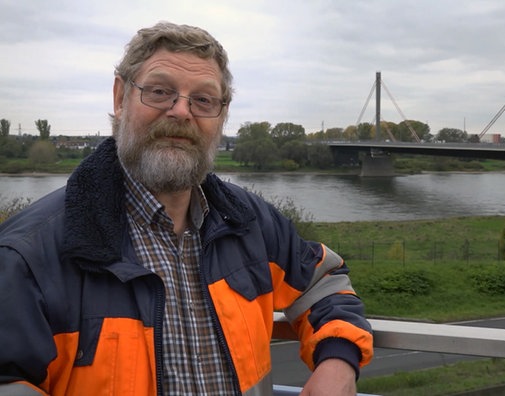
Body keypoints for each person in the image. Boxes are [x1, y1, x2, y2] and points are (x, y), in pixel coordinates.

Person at [0, 22, 373, 396]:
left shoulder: (250, 223)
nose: (181, 112)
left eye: (203, 99)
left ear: (222, 116)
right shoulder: (30, 254)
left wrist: (338, 362)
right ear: (119, 97)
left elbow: (324, 283)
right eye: (160, 91)